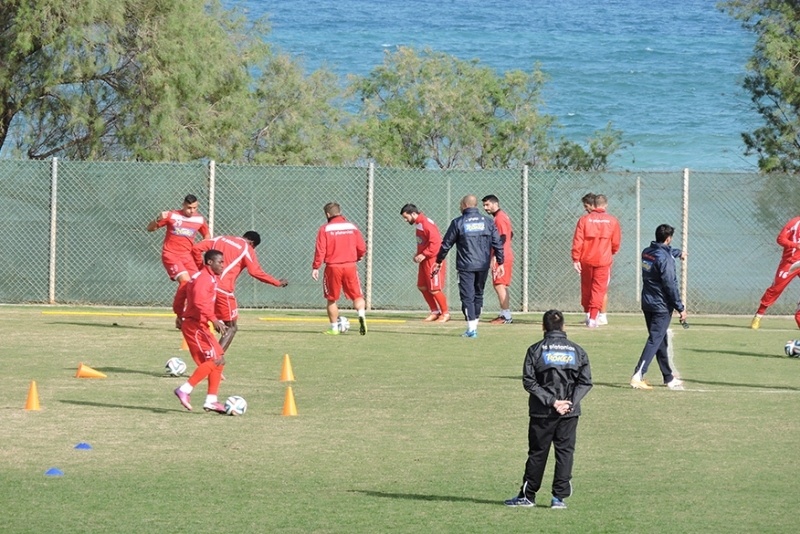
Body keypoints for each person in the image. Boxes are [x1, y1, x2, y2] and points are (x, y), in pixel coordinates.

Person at [504, 309, 592, 510]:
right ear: (563, 327)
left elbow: (529, 382)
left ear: (543, 327)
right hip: (569, 413)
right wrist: (569, 402)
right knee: (565, 453)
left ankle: (528, 496)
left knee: (537, 453)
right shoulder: (578, 351)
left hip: (541, 412)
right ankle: (558, 498)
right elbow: (585, 382)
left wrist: (552, 402)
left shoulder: (535, 350)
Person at [192, 231, 289, 351]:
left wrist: (202, 270)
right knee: (231, 328)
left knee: (204, 321)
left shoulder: (221, 239)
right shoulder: (247, 248)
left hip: (207, 286)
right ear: (252, 243)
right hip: (223, 290)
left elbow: (196, 248)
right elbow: (255, 272)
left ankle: (206, 353)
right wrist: (277, 282)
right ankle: (214, 361)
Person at [433, 195, 504, 338]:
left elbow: (446, 244)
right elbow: (497, 243)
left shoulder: (458, 222)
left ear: (464, 205)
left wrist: (439, 260)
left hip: (466, 266)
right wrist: (500, 262)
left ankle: (471, 329)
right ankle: (474, 325)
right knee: (478, 294)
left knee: (467, 296)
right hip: (483, 265)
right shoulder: (488, 222)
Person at [630, 224, 687, 391]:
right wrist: (680, 307)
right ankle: (638, 375)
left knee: (660, 340)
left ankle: (668, 377)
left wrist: (679, 253)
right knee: (655, 339)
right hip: (661, 306)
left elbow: (666, 252)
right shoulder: (665, 258)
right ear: (668, 238)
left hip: (647, 302)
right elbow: (670, 284)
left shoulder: (647, 252)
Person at [173, 249, 229, 413]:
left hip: (199, 324)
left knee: (220, 360)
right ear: (210, 262)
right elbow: (198, 301)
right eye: (220, 262)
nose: (223, 265)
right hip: (195, 325)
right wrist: (214, 319)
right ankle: (185, 389)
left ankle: (211, 400)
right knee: (213, 361)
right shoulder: (204, 279)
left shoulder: (200, 277)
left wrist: (178, 314)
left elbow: (181, 294)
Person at [147, 194, 210, 327]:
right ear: (183, 205)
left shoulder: (199, 219)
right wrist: (158, 218)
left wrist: (204, 244)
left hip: (188, 257)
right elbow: (150, 228)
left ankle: (192, 315)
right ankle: (180, 314)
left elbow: (206, 235)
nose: (192, 211)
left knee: (196, 284)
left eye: (195, 208)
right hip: (171, 255)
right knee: (185, 280)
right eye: (189, 208)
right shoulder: (171, 216)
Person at [312, 202, 368, 335]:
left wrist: (316, 266)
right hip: (350, 265)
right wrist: (359, 256)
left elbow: (321, 250)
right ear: (339, 212)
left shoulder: (324, 229)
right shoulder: (352, 227)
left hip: (333, 267)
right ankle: (361, 315)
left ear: (327, 214)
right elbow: (362, 247)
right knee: (357, 295)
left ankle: (334, 328)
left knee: (331, 298)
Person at [571, 193, 620, 328]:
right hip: (603, 260)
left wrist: (576, 258)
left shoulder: (584, 220)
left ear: (593, 204)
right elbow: (616, 242)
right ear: (606, 205)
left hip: (586, 259)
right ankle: (593, 317)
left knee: (586, 288)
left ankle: (588, 315)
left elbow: (578, 241)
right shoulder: (612, 220)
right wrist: (611, 252)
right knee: (599, 290)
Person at [400, 204, 450, 322]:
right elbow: (423, 243)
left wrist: (424, 254)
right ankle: (435, 311)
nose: (405, 220)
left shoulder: (426, 224)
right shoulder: (419, 224)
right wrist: (418, 254)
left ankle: (445, 313)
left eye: (406, 217)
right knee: (422, 286)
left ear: (413, 213)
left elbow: (436, 244)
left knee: (434, 288)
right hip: (424, 260)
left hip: (433, 260)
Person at [751, 215, 800, 329]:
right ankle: (758, 316)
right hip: (790, 262)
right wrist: (795, 245)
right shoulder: (794, 223)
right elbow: (780, 239)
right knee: (776, 289)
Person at [482, 195, 514, 324]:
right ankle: (505, 314)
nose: (485, 208)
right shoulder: (502, 216)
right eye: (484, 205)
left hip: (501, 256)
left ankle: (506, 316)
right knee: (501, 285)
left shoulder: (499, 218)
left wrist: (496, 256)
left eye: (487, 205)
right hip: (506, 254)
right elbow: (510, 234)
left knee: (499, 284)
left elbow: (501, 238)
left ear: (495, 204)